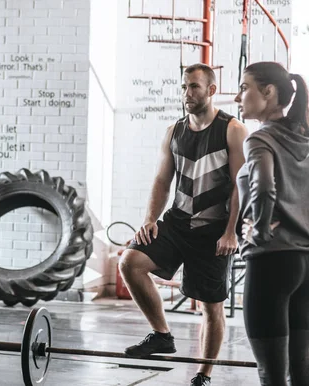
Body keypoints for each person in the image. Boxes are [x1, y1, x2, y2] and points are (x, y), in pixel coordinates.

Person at [118, 63, 249, 386]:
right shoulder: (174, 131)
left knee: (210, 307)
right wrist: (149, 219)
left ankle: (203, 375)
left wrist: (231, 231)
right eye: (183, 87)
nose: (187, 94)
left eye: (194, 87)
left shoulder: (232, 129)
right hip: (177, 222)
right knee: (130, 262)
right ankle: (161, 335)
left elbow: (240, 185)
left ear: (211, 90)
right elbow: (163, 180)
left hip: (214, 230)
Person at [235, 61, 309, 386]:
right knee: (302, 373)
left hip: (271, 262)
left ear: (268, 92)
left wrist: (259, 231)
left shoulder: (259, 140)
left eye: (244, 87)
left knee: (271, 375)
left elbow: (263, 187)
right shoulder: (303, 141)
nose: (239, 96)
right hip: (304, 262)